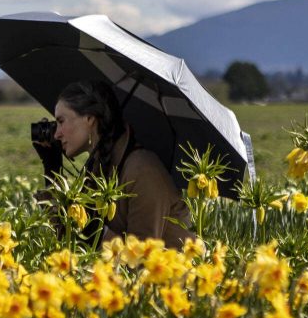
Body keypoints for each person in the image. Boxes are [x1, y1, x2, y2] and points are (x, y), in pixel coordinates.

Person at [32, 80, 194, 249]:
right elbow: (69, 241)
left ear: (89, 118)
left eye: (61, 121)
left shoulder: (142, 170)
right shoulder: (98, 166)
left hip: (172, 273)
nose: (56, 133)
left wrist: (96, 231)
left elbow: (140, 260)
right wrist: (52, 168)